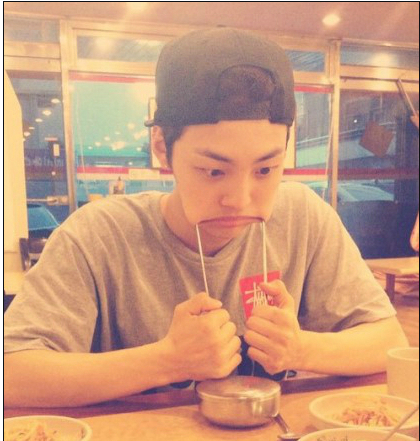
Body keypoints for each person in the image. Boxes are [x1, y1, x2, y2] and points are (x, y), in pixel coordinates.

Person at [4, 27, 408, 408]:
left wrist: (301, 348)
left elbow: (388, 341)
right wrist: (166, 360)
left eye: (265, 169)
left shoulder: (304, 218)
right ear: (161, 147)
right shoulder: (98, 234)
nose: (240, 199)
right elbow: (13, 373)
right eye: (214, 171)